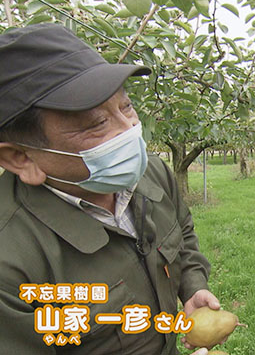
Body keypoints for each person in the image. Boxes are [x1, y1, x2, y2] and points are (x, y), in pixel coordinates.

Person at [0, 24, 216, 354]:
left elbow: (182, 232)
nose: (130, 130)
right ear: (20, 158)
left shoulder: (151, 173)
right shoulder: (10, 265)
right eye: (97, 123)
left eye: (126, 106)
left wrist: (192, 287)